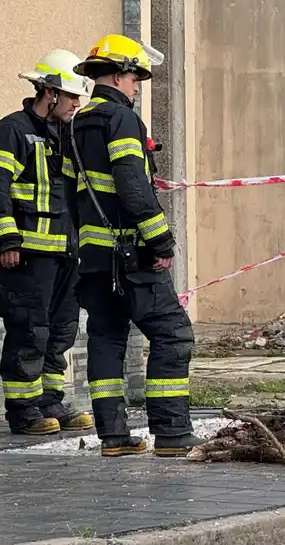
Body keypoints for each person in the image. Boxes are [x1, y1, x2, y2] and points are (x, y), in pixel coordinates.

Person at [68, 34, 202, 458]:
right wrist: (160, 239)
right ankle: (173, 433)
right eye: (135, 77)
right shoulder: (122, 120)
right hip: (129, 254)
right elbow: (132, 185)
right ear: (119, 74)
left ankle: (114, 437)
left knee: (106, 338)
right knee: (173, 334)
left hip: (91, 257)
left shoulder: (76, 123)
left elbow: (73, 193)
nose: (137, 86)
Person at [0, 50, 93, 436]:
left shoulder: (69, 134)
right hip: (28, 254)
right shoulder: (10, 130)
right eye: (71, 97)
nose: (77, 104)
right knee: (29, 330)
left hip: (67, 252)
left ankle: (50, 402)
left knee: (61, 331)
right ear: (49, 92)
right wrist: (6, 239)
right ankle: (23, 411)